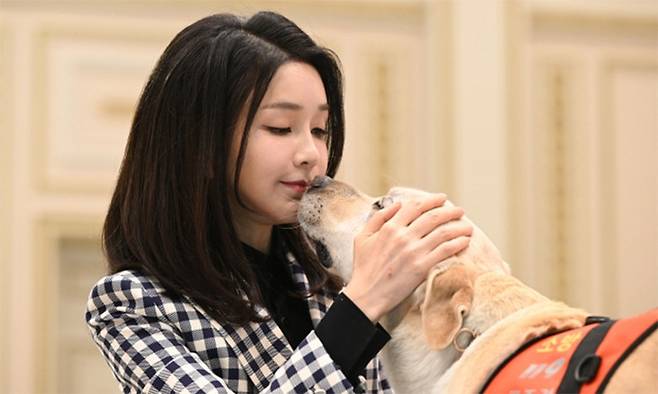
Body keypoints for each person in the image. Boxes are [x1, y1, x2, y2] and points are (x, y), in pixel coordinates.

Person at [85, 11, 472, 393]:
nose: (311, 154)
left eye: (320, 130)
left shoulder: (333, 280)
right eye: (280, 128)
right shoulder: (133, 305)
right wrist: (361, 305)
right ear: (201, 145)